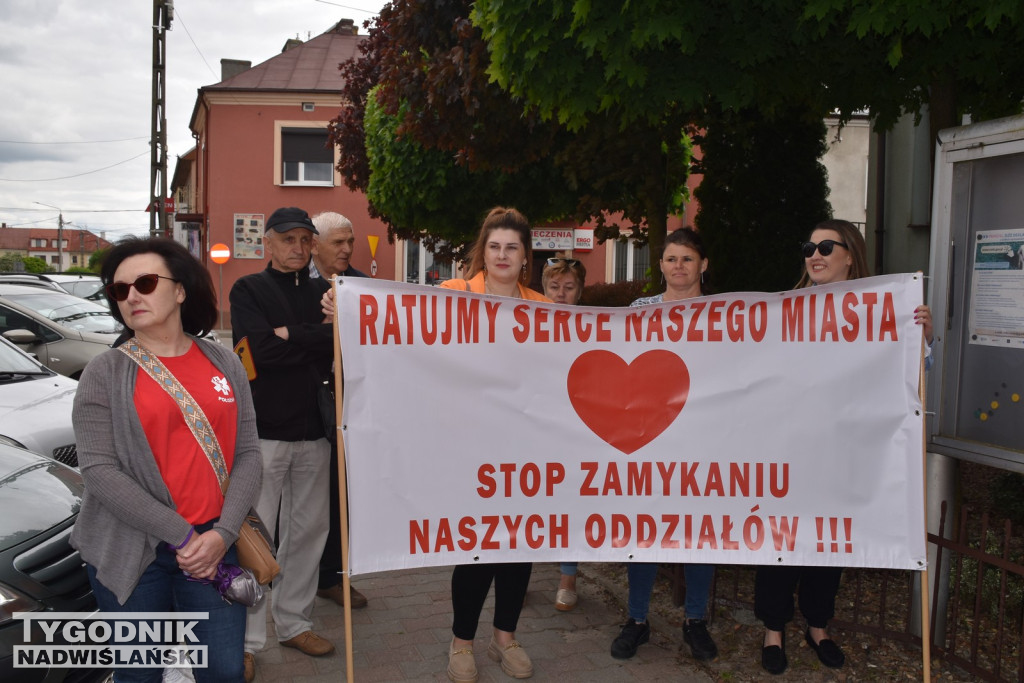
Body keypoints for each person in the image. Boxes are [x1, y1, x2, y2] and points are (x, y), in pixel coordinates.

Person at [71, 236, 262, 682]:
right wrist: (184, 536)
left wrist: (221, 535)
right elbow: (99, 471)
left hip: (215, 544)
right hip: (131, 551)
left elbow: (249, 452)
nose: (132, 295)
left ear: (179, 290)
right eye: (120, 289)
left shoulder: (222, 361)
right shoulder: (106, 372)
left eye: (145, 282)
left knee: (224, 671)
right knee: (140, 675)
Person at [756, 219, 933, 675]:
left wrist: (920, 339)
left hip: (843, 451)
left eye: (826, 246)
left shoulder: (881, 311)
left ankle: (819, 626)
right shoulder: (785, 310)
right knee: (781, 539)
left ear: (850, 254)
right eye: (808, 247)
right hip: (789, 448)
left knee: (828, 540)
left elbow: (905, 374)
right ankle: (773, 630)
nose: (814, 254)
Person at [439, 207, 550, 682]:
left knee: (519, 545)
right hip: (468, 446)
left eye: (512, 247)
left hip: (523, 447)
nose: (502, 255)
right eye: (494, 246)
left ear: (526, 256)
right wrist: (350, 308)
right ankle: (461, 641)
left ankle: (504, 635)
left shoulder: (544, 308)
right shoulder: (451, 296)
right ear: (482, 251)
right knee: (476, 547)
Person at [230, 207, 336, 681]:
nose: (297, 247)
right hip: (264, 433)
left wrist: (292, 335)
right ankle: (247, 640)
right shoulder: (248, 289)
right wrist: (313, 341)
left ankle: (294, 623)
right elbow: (257, 351)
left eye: (305, 239)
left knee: (310, 533)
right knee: (256, 540)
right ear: (267, 244)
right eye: (288, 239)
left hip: (316, 429)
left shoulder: (324, 292)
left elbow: (340, 340)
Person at [610, 228, 719, 663]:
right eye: (671, 259)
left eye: (687, 259)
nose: (679, 267)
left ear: (703, 265)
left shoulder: (725, 312)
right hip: (650, 438)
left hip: (703, 438)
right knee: (645, 531)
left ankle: (695, 621)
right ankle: (637, 619)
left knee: (699, 533)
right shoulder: (639, 311)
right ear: (660, 265)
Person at [309, 211, 369, 611]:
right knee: (306, 500)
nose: (347, 249)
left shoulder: (364, 286)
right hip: (306, 405)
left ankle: (333, 576)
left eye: (350, 241)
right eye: (338, 243)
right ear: (315, 245)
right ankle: (300, 575)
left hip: (352, 403)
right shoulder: (295, 285)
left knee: (342, 493)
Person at [541, 255, 588, 612]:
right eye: (555, 287)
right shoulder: (524, 322)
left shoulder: (593, 325)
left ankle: (568, 576)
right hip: (535, 424)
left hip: (575, 427)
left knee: (571, 500)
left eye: (569, 288)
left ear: (580, 291)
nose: (561, 294)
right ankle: (517, 568)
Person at [309, 211, 369, 279]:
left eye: (350, 242)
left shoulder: (365, 285)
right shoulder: (296, 283)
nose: (348, 250)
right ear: (314, 246)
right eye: (338, 242)